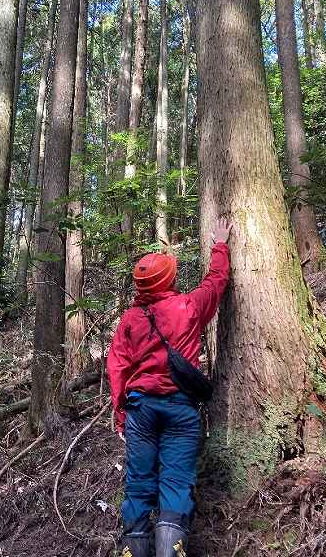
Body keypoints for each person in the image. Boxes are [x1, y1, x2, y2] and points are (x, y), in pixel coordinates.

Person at [108, 218, 232, 557]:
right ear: (169, 279)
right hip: (180, 408)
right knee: (176, 482)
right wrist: (220, 245)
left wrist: (121, 415)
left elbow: (117, 367)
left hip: (141, 411)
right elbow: (216, 282)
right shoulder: (188, 308)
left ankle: (134, 549)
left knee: (137, 484)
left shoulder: (129, 321)